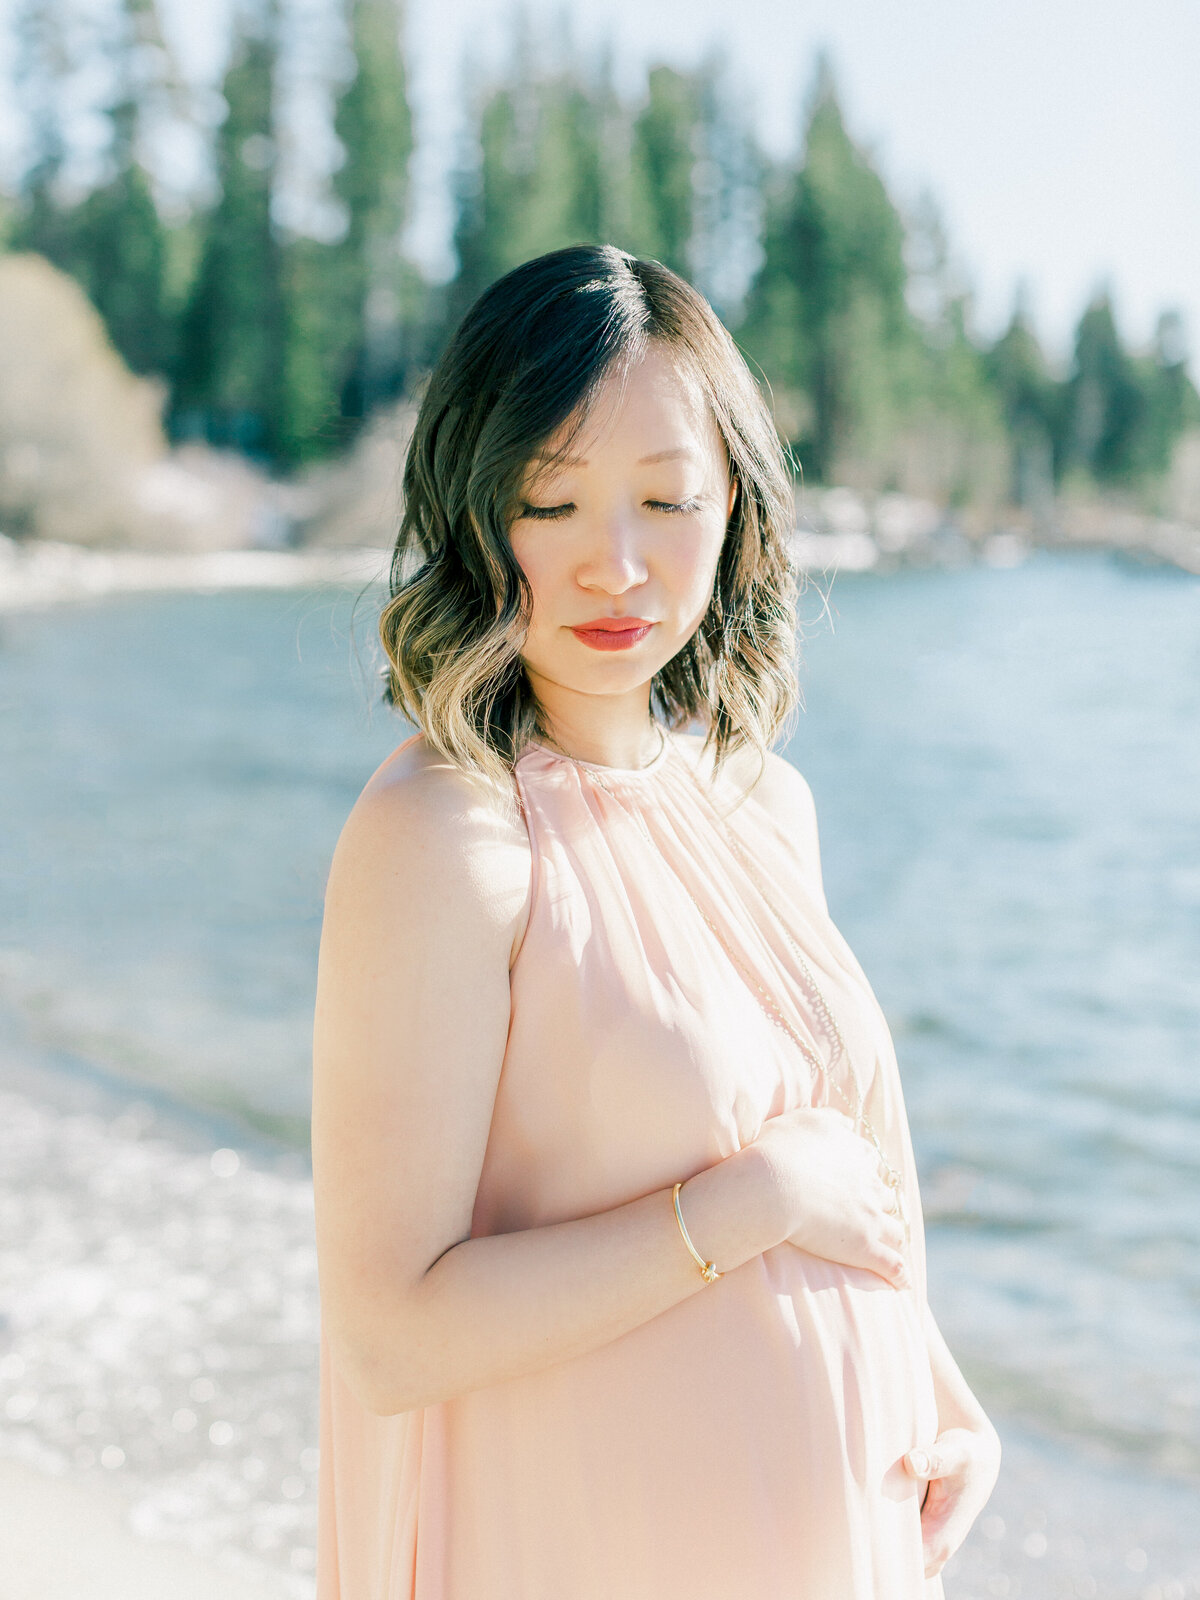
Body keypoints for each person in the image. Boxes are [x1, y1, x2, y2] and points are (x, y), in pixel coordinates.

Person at [310, 244, 1000, 1599]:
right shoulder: (446, 838)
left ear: (733, 507)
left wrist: (935, 1382)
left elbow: (853, 1179)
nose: (615, 566)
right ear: (471, 510)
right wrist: (741, 1207)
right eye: (551, 503)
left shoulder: (764, 805)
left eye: (666, 500)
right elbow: (392, 1335)